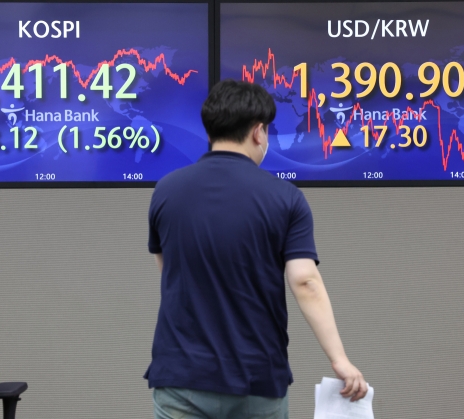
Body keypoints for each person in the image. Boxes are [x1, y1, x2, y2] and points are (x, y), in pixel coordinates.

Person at [145, 79, 366, 419]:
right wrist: (340, 360)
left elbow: (169, 273)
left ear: (209, 131)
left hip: (181, 376)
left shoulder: (166, 191)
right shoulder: (285, 197)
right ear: (259, 132)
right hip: (255, 379)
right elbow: (305, 282)